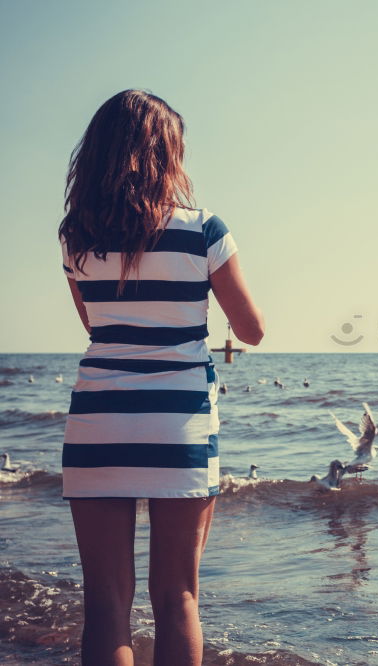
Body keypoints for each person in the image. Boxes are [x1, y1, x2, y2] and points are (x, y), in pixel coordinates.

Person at [58, 89, 264, 666]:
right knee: (177, 597)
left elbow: (97, 327)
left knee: (105, 603)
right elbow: (251, 330)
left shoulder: (76, 235)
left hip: (98, 421)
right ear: (165, 154)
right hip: (178, 423)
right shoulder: (204, 229)